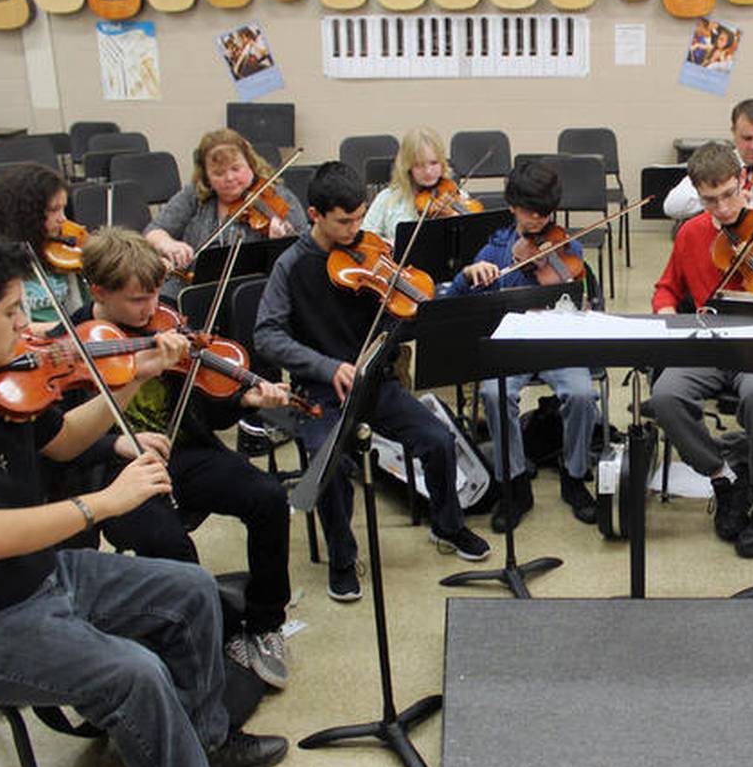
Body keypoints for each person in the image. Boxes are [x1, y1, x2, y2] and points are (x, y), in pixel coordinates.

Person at [0, 225, 287, 767]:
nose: (28, 325)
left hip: (38, 573)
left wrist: (131, 377)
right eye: (12, 312)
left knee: (192, 591)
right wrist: (105, 503)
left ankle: (205, 743)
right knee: (135, 675)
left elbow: (61, 441)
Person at [254, 161, 491, 602]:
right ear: (315, 215)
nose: (355, 228)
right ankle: (343, 558)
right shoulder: (291, 265)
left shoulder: (373, 250)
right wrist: (326, 367)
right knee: (332, 468)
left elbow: (409, 303)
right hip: (321, 391)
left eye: (360, 217)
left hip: (374, 382)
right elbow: (266, 334)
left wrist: (443, 294)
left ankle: (448, 526)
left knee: (439, 441)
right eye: (344, 221)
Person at [77, 228, 296, 689]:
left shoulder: (167, 329)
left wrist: (246, 400)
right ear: (99, 292)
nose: (153, 309)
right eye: (138, 300)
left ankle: (264, 622)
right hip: (115, 473)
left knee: (268, 497)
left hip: (183, 451)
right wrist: (118, 442)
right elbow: (54, 437)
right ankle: (211, 638)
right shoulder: (71, 344)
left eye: (157, 294)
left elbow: (209, 414)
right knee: (171, 545)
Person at [650, 141, 753, 559]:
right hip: (709, 344)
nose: (721, 209)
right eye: (709, 200)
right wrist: (667, 311)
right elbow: (667, 287)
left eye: (727, 195)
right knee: (665, 396)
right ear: (697, 195)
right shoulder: (691, 233)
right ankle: (723, 478)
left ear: (742, 183)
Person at [439, 162, 599, 532]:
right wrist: (467, 275)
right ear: (512, 206)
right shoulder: (495, 250)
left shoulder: (567, 245)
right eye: (530, 212)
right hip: (512, 345)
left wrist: (581, 298)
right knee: (495, 395)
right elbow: (458, 299)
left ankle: (574, 476)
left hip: (559, 343)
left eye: (545, 213)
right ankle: (514, 484)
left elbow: (587, 299)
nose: (539, 221)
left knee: (581, 394)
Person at [145, 128, 308, 302]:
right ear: (206, 177)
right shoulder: (195, 196)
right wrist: (169, 244)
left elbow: (303, 251)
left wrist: (279, 244)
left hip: (254, 293)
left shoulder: (279, 199)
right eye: (218, 173)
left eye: (236, 168)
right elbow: (153, 232)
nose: (229, 178)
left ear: (251, 164)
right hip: (192, 288)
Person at [0, 162, 85, 330]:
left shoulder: (65, 253)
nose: (62, 219)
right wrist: (61, 329)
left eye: (63, 209)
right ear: (28, 214)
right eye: (54, 210)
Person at [361, 126, 477, 244]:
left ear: (442, 163)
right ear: (407, 166)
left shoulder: (457, 196)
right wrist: (393, 243)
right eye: (419, 165)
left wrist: (455, 219)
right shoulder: (387, 199)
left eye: (434, 163)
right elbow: (365, 238)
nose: (428, 171)